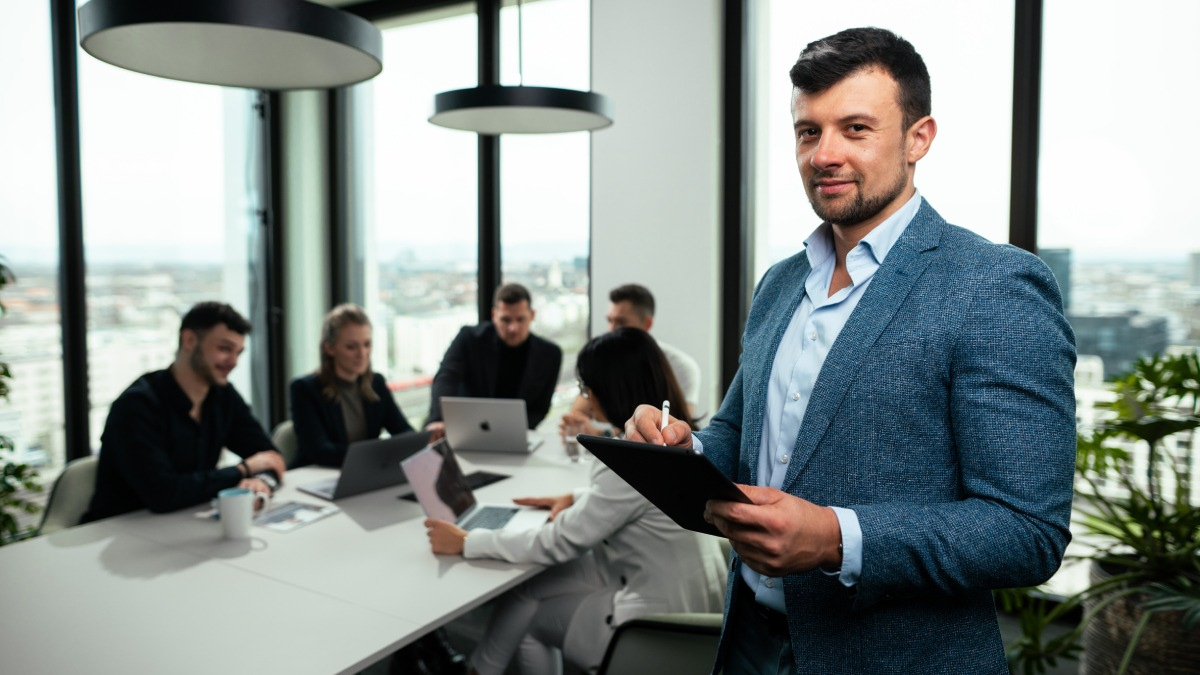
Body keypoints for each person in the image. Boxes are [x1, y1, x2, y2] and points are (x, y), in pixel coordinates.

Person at [627, 27, 1077, 673]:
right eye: (808, 131)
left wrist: (837, 539)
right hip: (749, 644)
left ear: (918, 137)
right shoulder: (780, 283)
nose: (823, 154)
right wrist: (679, 451)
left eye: (855, 128)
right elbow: (737, 437)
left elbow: (1026, 531)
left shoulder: (995, 286)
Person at [425, 328, 726, 675]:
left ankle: (480, 668)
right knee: (527, 591)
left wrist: (466, 542)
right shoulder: (677, 441)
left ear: (609, 389)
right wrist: (576, 498)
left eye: (586, 387)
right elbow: (639, 503)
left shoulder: (634, 457)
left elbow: (558, 542)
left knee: (531, 624)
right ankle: (479, 669)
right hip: (693, 596)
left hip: (659, 623)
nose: (586, 398)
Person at [83, 302, 286, 523]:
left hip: (185, 524)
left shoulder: (223, 396)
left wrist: (262, 481)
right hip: (120, 531)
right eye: (224, 349)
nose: (234, 362)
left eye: (238, 352)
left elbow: (270, 457)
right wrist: (243, 470)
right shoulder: (136, 406)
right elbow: (163, 494)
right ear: (189, 340)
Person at [289, 303, 423, 468]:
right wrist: (379, 455)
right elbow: (320, 451)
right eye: (351, 347)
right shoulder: (305, 389)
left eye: (367, 344)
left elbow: (403, 431)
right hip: (316, 475)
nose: (362, 354)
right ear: (329, 348)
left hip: (364, 474)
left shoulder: (376, 383)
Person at [563, 284, 703, 437]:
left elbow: (678, 430)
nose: (612, 329)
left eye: (621, 322)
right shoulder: (608, 359)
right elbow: (579, 411)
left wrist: (602, 434)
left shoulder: (681, 366)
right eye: (610, 320)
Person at [425, 283, 562, 432]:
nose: (513, 328)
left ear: (532, 315)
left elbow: (540, 409)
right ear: (494, 316)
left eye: (520, 319)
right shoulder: (469, 338)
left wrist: (509, 432)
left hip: (515, 434)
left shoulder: (550, 354)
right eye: (506, 320)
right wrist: (439, 419)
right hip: (463, 429)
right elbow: (446, 377)